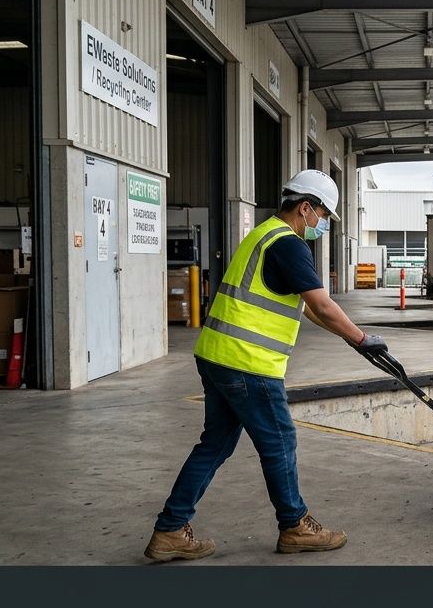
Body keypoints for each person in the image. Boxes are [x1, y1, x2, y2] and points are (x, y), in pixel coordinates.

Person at [144, 169, 390, 561]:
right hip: (248, 363)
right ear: (306, 208)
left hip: (216, 356)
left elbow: (308, 308)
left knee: (215, 445)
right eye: (323, 216)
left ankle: (170, 530)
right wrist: (362, 338)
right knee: (279, 443)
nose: (322, 224)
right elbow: (323, 304)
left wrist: (350, 337)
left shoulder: (262, 234)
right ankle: (294, 526)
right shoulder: (288, 244)